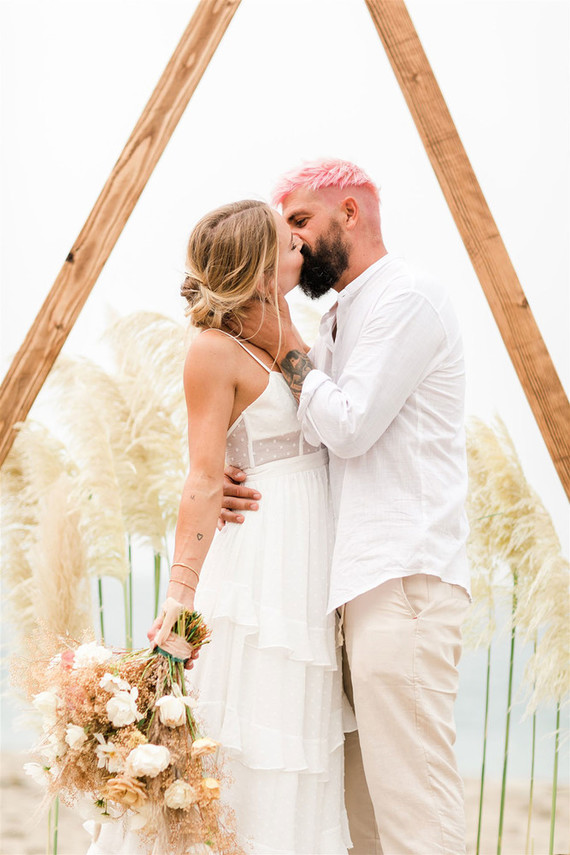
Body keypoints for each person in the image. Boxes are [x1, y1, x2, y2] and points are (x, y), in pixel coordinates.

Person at [221, 159, 472, 855]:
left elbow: (350, 424)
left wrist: (289, 348)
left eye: (301, 221)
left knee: (415, 806)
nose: (293, 246)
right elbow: (311, 439)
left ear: (351, 212)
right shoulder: (341, 316)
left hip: (403, 580)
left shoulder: (407, 299)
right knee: (362, 820)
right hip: (349, 591)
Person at [86, 200, 351, 855]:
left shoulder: (296, 331)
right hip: (259, 556)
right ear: (260, 269)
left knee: (293, 729)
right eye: (288, 244)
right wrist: (179, 597)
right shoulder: (211, 350)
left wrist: (284, 328)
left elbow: (332, 417)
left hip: (306, 559)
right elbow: (204, 478)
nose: (301, 247)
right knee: (241, 729)